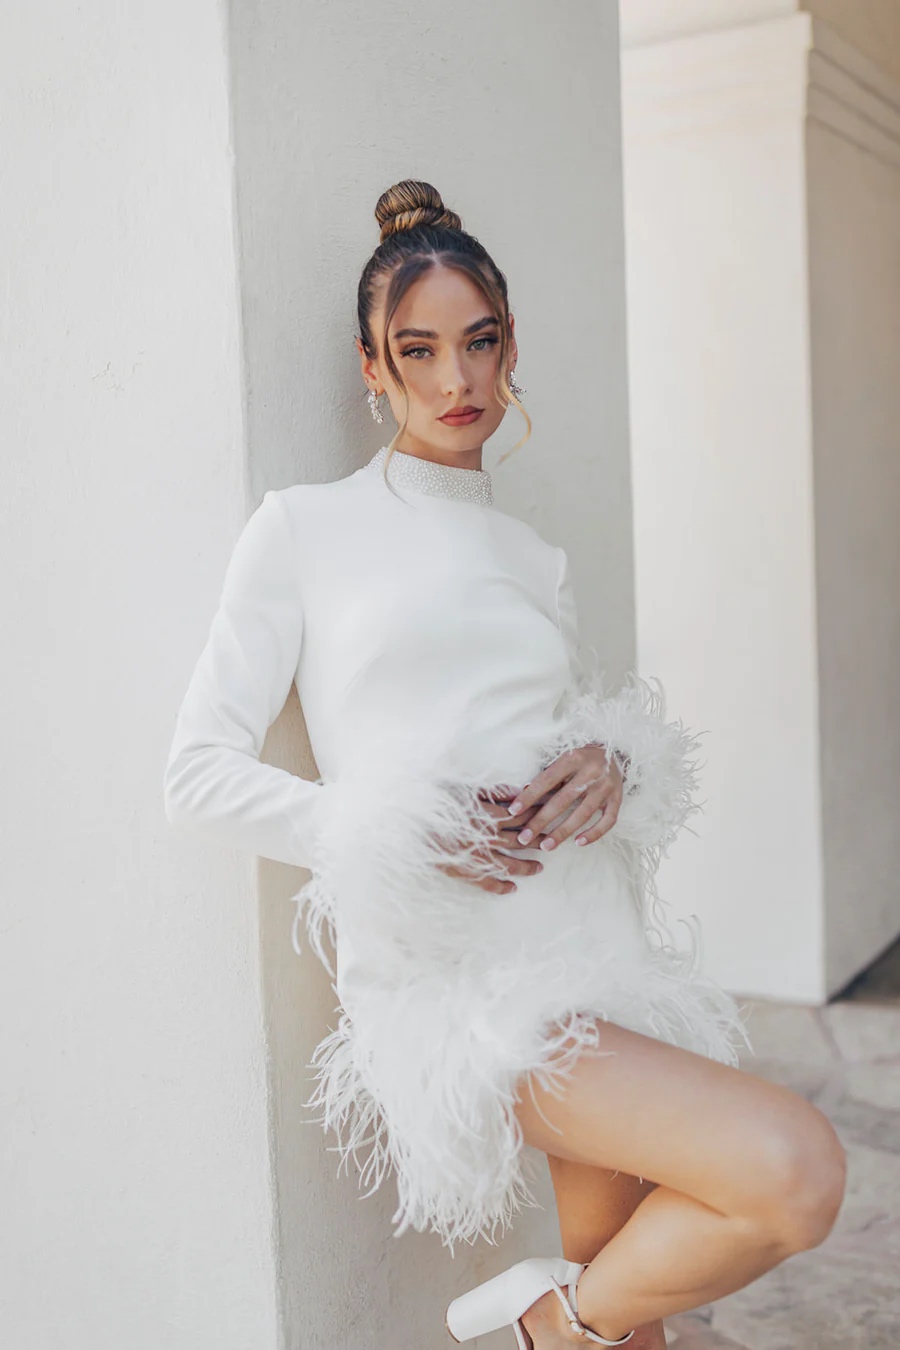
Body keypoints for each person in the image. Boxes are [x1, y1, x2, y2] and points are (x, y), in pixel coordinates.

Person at [163, 179, 847, 1349]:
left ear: (511, 344)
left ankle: (574, 1322)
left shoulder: (535, 558)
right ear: (373, 369)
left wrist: (615, 763)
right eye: (418, 351)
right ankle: (551, 1321)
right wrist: (391, 826)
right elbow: (196, 773)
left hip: (588, 950)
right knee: (796, 1169)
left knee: (636, 1323)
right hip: (461, 991)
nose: (456, 381)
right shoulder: (302, 529)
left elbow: (545, 737)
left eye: (478, 342)